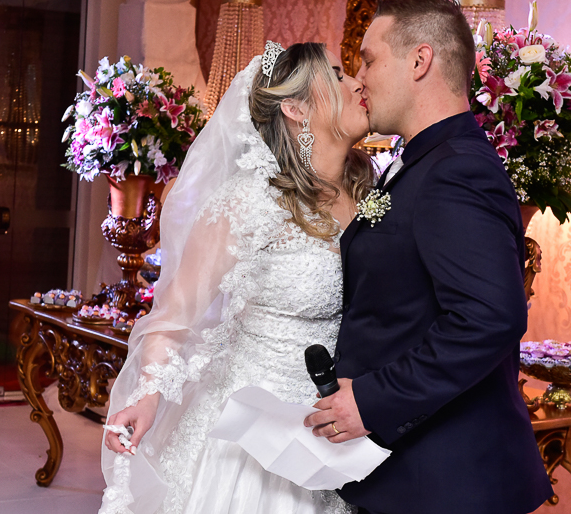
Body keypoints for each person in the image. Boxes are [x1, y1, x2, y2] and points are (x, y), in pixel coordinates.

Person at [303, 0, 554, 514]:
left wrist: (372, 400)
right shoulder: (422, 161)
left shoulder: (456, 169)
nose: (359, 78)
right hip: (411, 477)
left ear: (420, 61)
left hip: (447, 484)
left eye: (369, 59)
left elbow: (489, 317)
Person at [99, 41, 373, 514]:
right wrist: (147, 397)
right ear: (295, 108)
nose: (356, 82)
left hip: (342, 422)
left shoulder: (371, 190)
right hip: (253, 433)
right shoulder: (248, 202)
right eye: (336, 74)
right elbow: (175, 315)